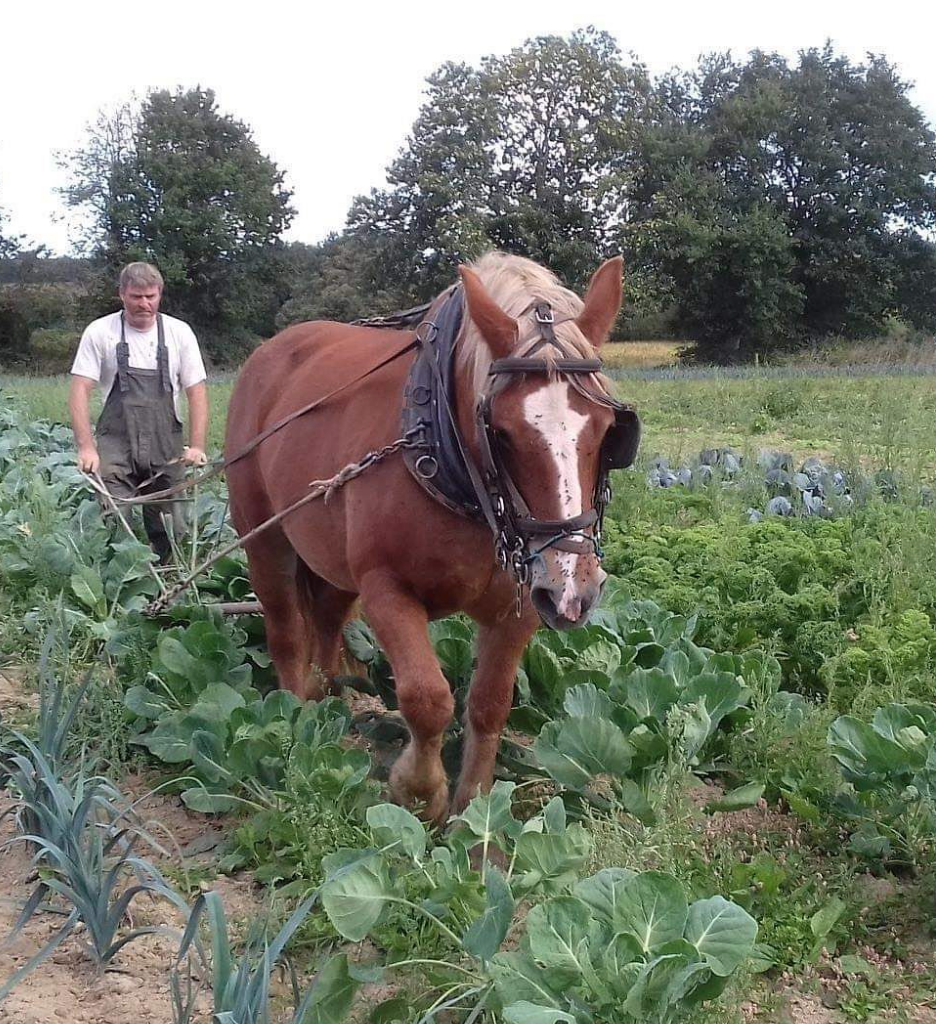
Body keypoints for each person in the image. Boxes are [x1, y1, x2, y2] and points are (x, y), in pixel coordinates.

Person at [69, 261, 209, 563]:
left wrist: (196, 446)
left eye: (151, 296)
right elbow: (80, 389)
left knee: (170, 523)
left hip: (165, 443)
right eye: (136, 296)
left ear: (160, 294)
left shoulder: (178, 333)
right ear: (122, 295)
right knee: (114, 516)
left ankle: (168, 575)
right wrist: (86, 447)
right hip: (116, 443)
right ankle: (120, 579)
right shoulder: (100, 332)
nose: (144, 304)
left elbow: (196, 392)